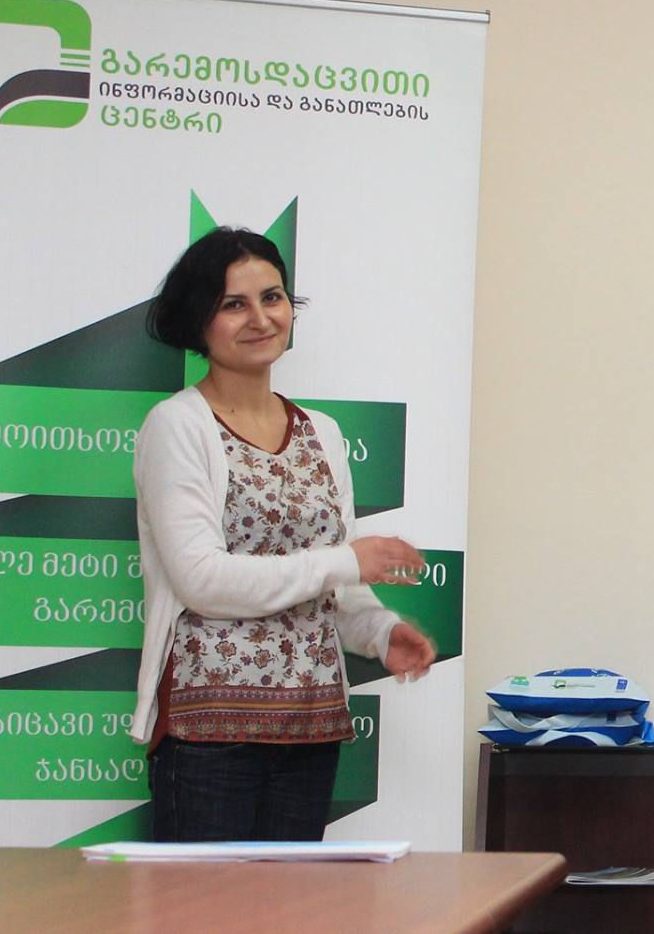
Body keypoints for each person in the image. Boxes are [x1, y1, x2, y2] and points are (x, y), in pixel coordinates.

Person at [129, 227, 437, 842]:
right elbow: (202, 581)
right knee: (208, 901)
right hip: (209, 735)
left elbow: (337, 588)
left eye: (272, 298)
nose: (261, 318)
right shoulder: (177, 426)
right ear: (199, 321)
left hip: (310, 730)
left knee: (293, 899)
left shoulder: (322, 431)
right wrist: (345, 562)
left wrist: (381, 632)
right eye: (233, 304)